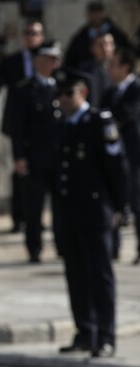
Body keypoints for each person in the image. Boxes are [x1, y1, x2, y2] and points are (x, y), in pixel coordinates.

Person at [54, 67, 127, 358]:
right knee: (76, 275)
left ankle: (105, 336)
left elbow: (116, 168)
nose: (62, 99)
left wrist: (120, 207)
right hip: (69, 213)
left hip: (96, 212)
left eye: (67, 93)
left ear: (82, 93)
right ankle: (84, 331)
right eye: (59, 94)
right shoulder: (62, 124)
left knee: (100, 276)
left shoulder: (99, 122)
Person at [0, 19, 45, 233]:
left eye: (35, 33)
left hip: (43, 127)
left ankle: (37, 219)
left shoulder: (48, 59)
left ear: (41, 36)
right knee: (18, 172)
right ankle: (19, 218)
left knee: (41, 175)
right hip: (17, 124)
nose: (31, 37)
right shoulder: (13, 61)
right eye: (27, 32)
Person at [10, 40, 63, 263]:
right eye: (48, 59)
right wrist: (19, 156)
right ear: (38, 62)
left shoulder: (61, 87)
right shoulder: (24, 90)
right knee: (34, 206)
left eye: (55, 60)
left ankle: (63, 246)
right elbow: (17, 127)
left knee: (62, 206)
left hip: (60, 158)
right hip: (35, 158)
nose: (52, 63)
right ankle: (34, 248)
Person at [102, 47, 140, 264]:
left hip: (134, 156)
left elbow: (127, 115)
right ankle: (113, 248)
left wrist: (111, 122)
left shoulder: (136, 88)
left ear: (125, 67)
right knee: (113, 202)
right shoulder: (109, 93)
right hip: (113, 158)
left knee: (136, 204)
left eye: (113, 64)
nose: (109, 69)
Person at [63, 1, 130, 69]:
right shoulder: (80, 38)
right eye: (93, 13)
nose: (96, 16)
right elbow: (70, 61)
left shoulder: (118, 35)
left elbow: (127, 56)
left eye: (98, 12)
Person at [78, 32, 115, 108]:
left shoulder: (122, 68)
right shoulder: (84, 70)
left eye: (108, 44)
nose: (105, 48)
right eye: (100, 45)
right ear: (92, 48)